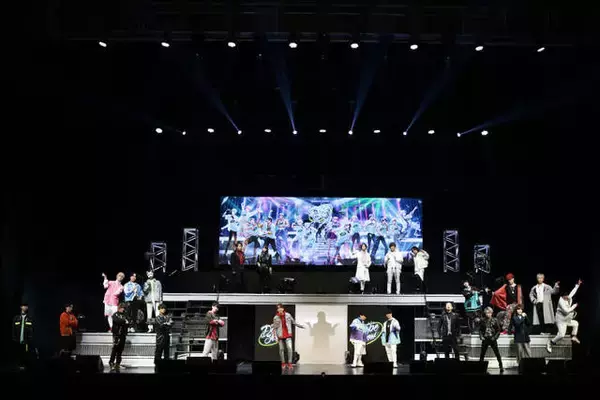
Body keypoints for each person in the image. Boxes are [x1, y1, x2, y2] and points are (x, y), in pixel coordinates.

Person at [547, 280, 582, 353]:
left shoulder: (567, 297)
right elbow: (566, 310)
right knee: (561, 335)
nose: (567, 297)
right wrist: (574, 306)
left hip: (567, 319)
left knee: (576, 323)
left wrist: (577, 285)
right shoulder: (561, 301)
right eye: (565, 296)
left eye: (567, 296)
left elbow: (573, 292)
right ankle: (550, 342)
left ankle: (573, 336)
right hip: (560, 321)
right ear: (562, 296)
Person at [272, 303, 305, 370]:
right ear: (277, 310)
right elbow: (275, 327)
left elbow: (293, 322)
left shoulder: (288, 315)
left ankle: (289, 363)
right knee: (281, 349)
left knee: (289, 348)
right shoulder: (275, 317)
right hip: (280, 335)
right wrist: (274, 334)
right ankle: (283, 363)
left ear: (283, 308)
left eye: (280, 308)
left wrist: (301, 326)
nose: (279, 309)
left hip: (288, 334)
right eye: (278, 308)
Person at [479, 307, 504, 372]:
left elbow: (498, 330)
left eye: (489, 313)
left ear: (491, 313)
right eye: (487, 313)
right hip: (485, 339)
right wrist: (481, 336)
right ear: (485, 313)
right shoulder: (482, 320)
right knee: (482, 354)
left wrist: (495, 337)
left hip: (492, 338)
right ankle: (479, 367)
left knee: (497, 353)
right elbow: (480, 330)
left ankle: (501, 366)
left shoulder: (495, 320)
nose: (488, 314)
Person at [12, 303, 34, 369]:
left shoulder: (30, 318)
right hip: (17, 341)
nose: (25, 307)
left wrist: (30, 339)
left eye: (26, 306)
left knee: (26, 354)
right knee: (18, 354)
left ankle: (26, 367)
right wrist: (14, 339)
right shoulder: (16, 318)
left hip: (26, 341)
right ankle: (18, 366)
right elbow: (13, 329)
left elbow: (32, 330)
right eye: (24, 306)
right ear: (21, 307)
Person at [109, 303, 129, 372]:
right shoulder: (115, 314)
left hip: (123, 334)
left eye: (124, 308)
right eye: (122, 308)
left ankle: (118, 364)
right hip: (116, 335)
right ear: (119, 308)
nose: (123, 309)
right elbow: (117, 321)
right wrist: (124, 321)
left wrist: (125, 322)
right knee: (115, 349)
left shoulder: (125, 315)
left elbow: (128, 322)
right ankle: (111, 363)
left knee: (120, 350)